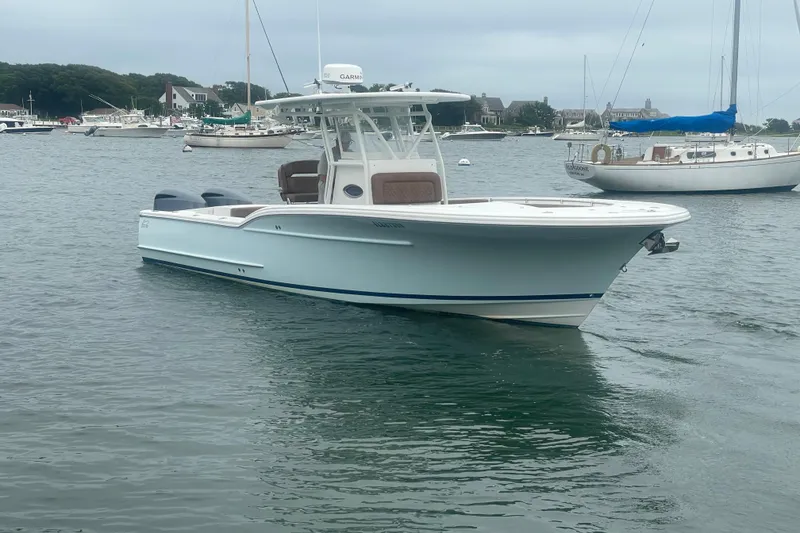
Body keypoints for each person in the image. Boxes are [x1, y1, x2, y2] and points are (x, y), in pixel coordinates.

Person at [317, 131, 352, 203]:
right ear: (337, 142)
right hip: (329, 185)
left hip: (347, 185)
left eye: (348, 143)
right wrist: (337, 185)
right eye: (344, 143)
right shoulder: (327, 154)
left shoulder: (351, 153)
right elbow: (322, 176)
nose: (346, 146)